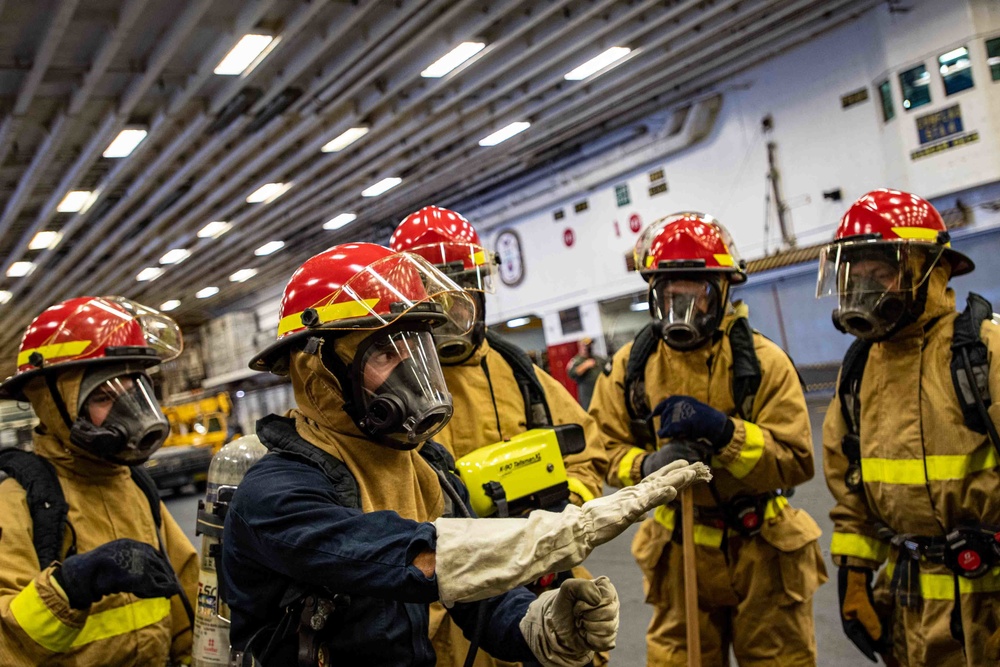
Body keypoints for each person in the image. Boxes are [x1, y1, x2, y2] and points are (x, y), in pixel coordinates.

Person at [221, 243, 709, 667]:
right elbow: (409, 557)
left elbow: (475, 600)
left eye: (416, 350)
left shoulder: (421, 466)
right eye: (385, 354)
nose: (409, 373)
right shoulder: (276, 494)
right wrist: (555, 533)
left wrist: (537, 624)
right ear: (317, 372)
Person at [588, 212, 826, 666]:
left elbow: (797, 459)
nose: (683, 306)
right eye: (670, 292)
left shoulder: (764, 363)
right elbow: (604, 451)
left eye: (696, 292)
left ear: (722, 291)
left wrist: (727, 435)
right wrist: (648, 467)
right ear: (654, 293)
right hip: (678, 555)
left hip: (763, 550)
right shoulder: (629, 368)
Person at [391, 206, 611, 666]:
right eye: (434, 295)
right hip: (447, 616)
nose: (451, 312)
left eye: (460, 290)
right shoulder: (388, 392)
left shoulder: (520, 374)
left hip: (541, 587)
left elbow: (588, 455)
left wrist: (559, 506)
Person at [818, 189, 1000, 666]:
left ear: (926, 269)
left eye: (879, 275)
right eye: (853, 278)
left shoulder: (984, 353)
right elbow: (852, 489)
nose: (864, 293)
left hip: (991, 601)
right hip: (907, 606)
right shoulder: (858, 371)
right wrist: (855, 575)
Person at [0, 296, 198, 665]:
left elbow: (186, 603)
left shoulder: (135, 487)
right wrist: (70, 587)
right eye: (105, 396)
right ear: (52, 403)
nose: (130, 412)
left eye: (134, 392)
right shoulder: (17, 504)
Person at [567, 338, 606, 410]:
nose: (588, 347)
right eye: (586, 345)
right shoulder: (577, 360)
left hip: (602, 395)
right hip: (588, 399)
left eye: (590, 345)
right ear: (580, 346)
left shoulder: (598, 359)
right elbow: (572, 373)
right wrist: (585, 366)